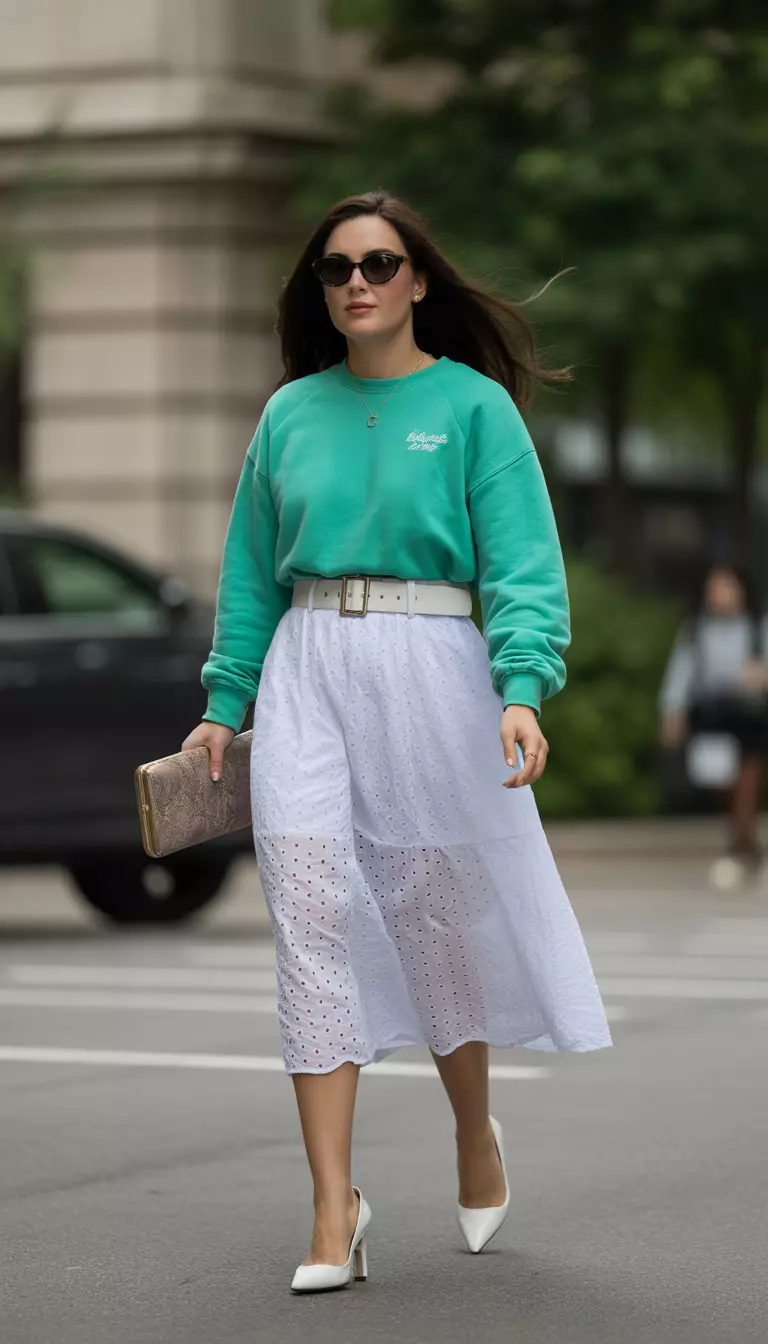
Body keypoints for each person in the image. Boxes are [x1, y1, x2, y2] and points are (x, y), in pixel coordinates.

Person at [182, 190, 612, 1293]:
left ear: (418, 279)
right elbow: (247, 574)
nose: (358, 283)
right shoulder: (288, 416)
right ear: (319, 290)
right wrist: (224, 704)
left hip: (435, 667)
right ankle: (335, 1208)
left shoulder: (472, 409)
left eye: (379, 263)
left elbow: (521, 563)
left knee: (429, 916)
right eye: (336, 269)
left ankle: (473, 1130)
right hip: (309, 667)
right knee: (310, 913)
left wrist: (523, 687)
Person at [660, 563, 768, 889]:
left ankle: (737, 848)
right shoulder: (696, 631)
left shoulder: (758, 628)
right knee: (724, 785)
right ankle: (748, 846)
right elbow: (680, 675)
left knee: (748, 783)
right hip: (715, 720)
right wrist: (672, 713)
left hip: (752, 718)